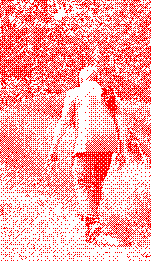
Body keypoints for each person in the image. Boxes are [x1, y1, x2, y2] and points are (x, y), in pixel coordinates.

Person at [48, 66, 127, 243]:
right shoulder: (108, 93)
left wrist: (53, 149)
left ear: (81, 80)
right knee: (96, 184)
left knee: (83, 183)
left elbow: (64, 123)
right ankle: (91, 223)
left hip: (86, 145)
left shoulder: (75, 94)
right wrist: (122, 151)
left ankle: (93, 224)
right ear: (97, 79)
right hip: (108, 146)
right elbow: (121, 123)